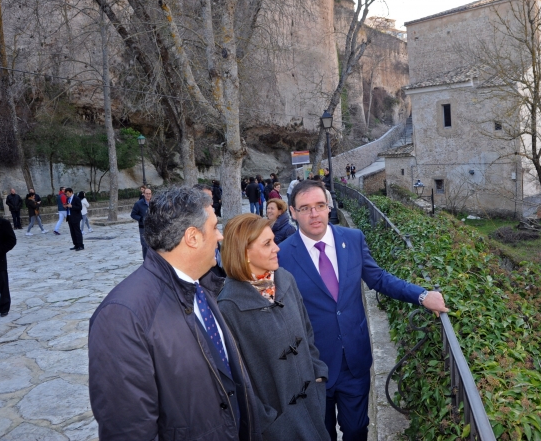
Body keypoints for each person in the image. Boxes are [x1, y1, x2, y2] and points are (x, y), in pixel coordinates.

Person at [277, 180, 449, 441]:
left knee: (357, 430)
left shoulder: (352, 239)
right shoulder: (282, 254)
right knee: (320, 434)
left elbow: (378, 278)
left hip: (353, 360)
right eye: (305, 208)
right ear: (292, 212)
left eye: (320, 205)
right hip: (311, 365)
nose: (314, 214)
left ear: (328, 206)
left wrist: (422, 295)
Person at [88, 187, 261, 441]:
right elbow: (129, 430)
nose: (221, 237)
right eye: (214, 228)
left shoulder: (201, 286)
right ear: (192, 237)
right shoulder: (122, 316)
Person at [217, 214, 329, 440]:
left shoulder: (285, 279)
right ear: (244, 252)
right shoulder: (228, 306)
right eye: (267, 243)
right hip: (277, 427)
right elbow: (235, 377)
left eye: (273, 241)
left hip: (313, 407)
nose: (277, 248)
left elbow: (307, 332)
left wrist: (318, 374)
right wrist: (266, 420)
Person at [131, 187, 152, 259]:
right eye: (147, 194)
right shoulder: (138, 204)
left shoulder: (154, 203)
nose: (148, 195)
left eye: (149, 194)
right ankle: (146, 262)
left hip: (153, 227)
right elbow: (133, 214)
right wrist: (141, 219)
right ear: (144, 194)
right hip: (143, 227)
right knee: (145, 245)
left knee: (153, 245)